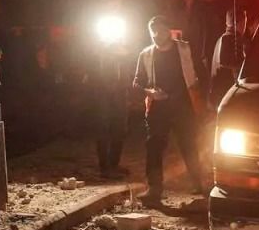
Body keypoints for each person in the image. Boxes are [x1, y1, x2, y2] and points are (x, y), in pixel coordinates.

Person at [133, 13, 207, 202]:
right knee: (154, 146)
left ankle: (198, 184)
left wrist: (204, 99)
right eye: (153, 31)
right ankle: (154, 188)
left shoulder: (185, 49)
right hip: (158, 108)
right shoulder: (146, 54)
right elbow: (137, 82)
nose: (157, 34)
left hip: (184, 105)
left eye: (160, 30)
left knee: (188, 145)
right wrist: (149, 92)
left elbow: (202, 73)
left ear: (169, 31)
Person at [88, 25, 136, 179]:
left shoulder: (123, 52)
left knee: (120, 128)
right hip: (102, 93)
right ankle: (105, 167)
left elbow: (128, 66)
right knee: (103, 127)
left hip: (120, 93)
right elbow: (93, 69)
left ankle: (114, 164)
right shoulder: (98, 52)